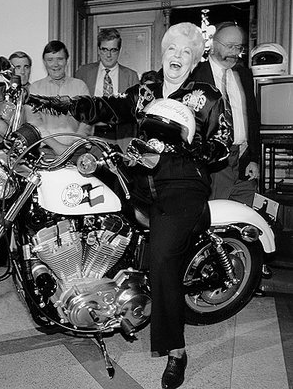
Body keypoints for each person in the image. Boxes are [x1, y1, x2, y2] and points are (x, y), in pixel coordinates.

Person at [27, 22, 233, 389]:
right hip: (140, 177)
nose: (177, 57)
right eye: (172, 50)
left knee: (163, 257)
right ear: (163, 53)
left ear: (196, 58)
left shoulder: (207, 96)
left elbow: (221, 145)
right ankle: (97, 288)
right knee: (92, 206)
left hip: (182, 184)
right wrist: (54, 103)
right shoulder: (147, 90)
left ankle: (176, 351)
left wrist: (183, 144)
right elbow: (106, 106)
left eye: (186, 52)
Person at [190, 21, 272, 288]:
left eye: (239, 47)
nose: (235, 52)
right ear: (213, 44)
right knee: (215, 221)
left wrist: (256, 159)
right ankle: (211, 274)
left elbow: (253, 118)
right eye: (229, 46)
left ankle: (244, 276)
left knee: (244, 220)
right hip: (216, 162)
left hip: (244, 157)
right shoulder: (196, 74)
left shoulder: (243, 74)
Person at [75, 28, 140, 149]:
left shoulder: (131, 76)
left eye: (113, 50)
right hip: (91, 139)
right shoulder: (83, 73)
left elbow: (136, 116)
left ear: (119, 50)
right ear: (98, 50)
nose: (108, 55)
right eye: (104, 49)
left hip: (121, 139)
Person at [27, 40, 91, 155]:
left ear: (67, 60)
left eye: (60, 59)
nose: (55, 64)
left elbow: (87, 120)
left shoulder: (80, 86)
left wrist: (74, 145)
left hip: (77, 150)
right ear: (44, 62)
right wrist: (57, 147)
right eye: (50, 60)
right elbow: (35, 123)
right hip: (45, 152)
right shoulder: (35, 89)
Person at [0, 51, 32, 143]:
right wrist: (16, 140)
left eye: (26, 67)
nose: (23, 72)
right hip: (6, 147)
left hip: (32, 146)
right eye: (18, 67)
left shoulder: (36, 91)